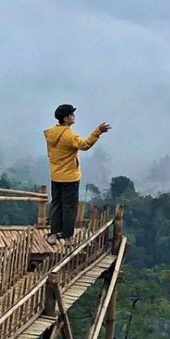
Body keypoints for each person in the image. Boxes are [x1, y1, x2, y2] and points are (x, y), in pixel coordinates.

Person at [43, 104, 111, 245]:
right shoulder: (69, 135)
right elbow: (85, 145)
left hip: (55, 175)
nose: (74, 117)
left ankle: (53, 236)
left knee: (56, 205)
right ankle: (67, 237)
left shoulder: (50, 133)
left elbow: (50, 153)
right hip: (70, 177)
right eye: (72, 115)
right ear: (66, 118)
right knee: (69, 207)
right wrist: (97, 132)